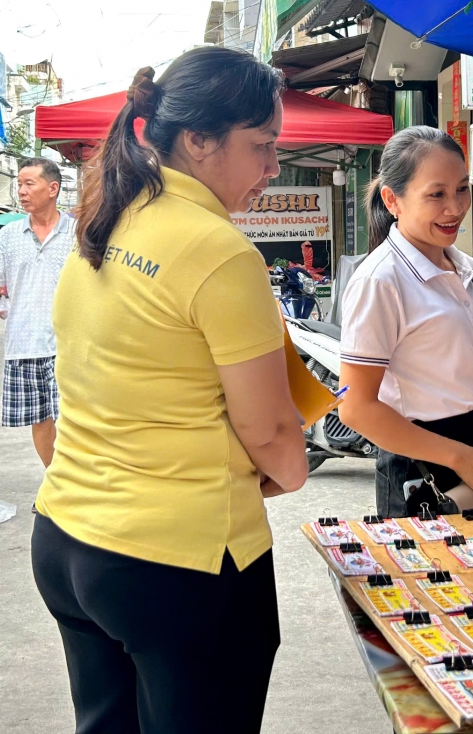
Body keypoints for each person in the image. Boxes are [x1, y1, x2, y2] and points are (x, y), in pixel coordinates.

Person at [30, 49, 308, 734]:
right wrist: (286, 471)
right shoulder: (219, 251)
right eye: (263, 147)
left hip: (68, 539)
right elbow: (273, 435)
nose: (273, 168)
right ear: (198, 140)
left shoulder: (103, 222)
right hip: (177, 563)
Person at [338, 126, 473, 518]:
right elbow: (355, 408)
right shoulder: (379, 281)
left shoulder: (465, 265)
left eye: (462, 188)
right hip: (421, 469)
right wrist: (459, 457)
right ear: (393, 200)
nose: (455, 207)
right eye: (436, 194)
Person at [0, 157, 74, 468]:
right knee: (40, 420)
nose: (21, 191)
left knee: (75, 421)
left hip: (72, 346)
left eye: (29, 183)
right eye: (19, 184)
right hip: (24, 343)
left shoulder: (79, 233)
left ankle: (77, 485)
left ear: (53, 188)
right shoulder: (8, 236)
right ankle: (54, 483)